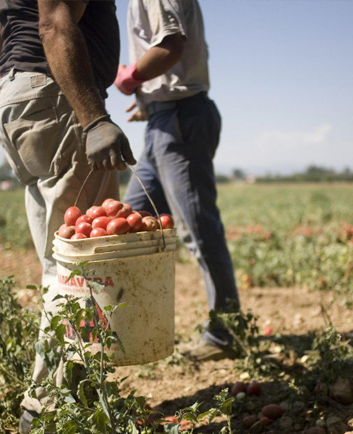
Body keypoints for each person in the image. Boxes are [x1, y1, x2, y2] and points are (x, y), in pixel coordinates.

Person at [0, 1, 135, 431]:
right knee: (80, 270)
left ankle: (62, 401)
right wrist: (93, 119)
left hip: (16, 96)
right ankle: (49, 411)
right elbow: (53, 23)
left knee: (59, 265)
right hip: (57, 97)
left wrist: (22, 91)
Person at [114, 0, 241, 362]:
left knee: (198, 229)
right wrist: (151, 102)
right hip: (165, 118)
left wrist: (130, 78)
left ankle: (225, 333)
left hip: (180, 118)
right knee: (132, 225)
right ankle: (131, 329)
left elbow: (171, 45)